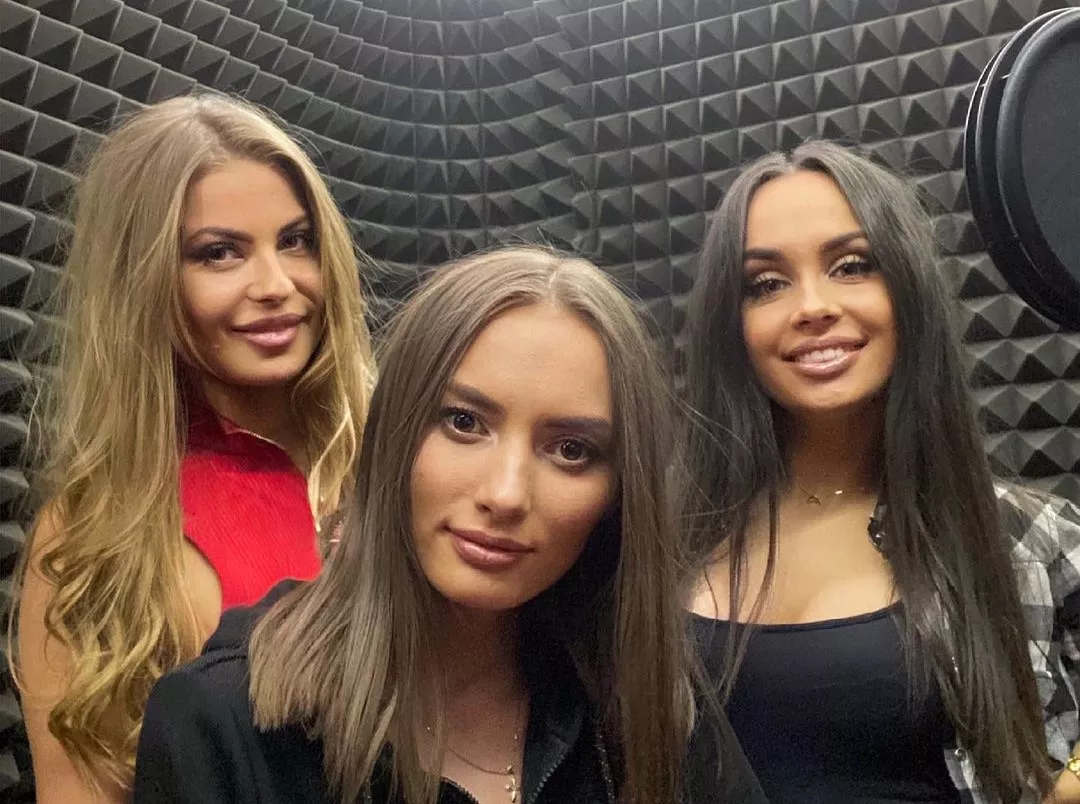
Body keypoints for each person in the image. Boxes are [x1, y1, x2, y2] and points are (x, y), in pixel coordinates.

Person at [131, 246, 769, 804]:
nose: (505, 494)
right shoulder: (221, 723)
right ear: (395, 433)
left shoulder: (647, 702)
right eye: (464, 423)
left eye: (571, 450)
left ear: (617, 495)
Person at [682, 139, 1080, 803]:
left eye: (851, 266)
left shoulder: (1027, 536)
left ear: (907, 288)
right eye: (767, 284)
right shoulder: (669, 537)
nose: (811, 306)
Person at [12, 93, 376, 803]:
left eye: (296, 240)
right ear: (144, 280)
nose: (277, 285)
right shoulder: (96, 533)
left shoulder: (402, 464)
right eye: (219, 253)